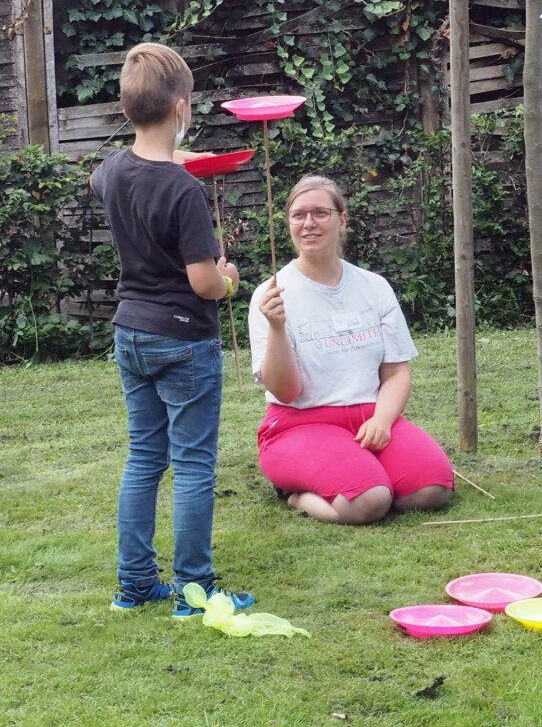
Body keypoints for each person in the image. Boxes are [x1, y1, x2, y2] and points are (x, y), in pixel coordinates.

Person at [91, 42, 255, 618]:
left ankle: (134, 586)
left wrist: (173, 158)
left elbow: (126, 172)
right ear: (182, 106)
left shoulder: (110, 170)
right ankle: (196, 589)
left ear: (128, 106)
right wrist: (231, 280)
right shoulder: (184, 191)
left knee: (143, 458)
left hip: (130, 332)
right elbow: (203, 282)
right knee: (191, 464)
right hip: (184, 338)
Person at [248, 176, 454, 525]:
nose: (309, 223)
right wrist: (277, 328)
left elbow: (396, 373)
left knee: (433, 489)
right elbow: (285, 391)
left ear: (342, 219)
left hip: (368, 418)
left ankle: (363, 473)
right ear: (288, 224)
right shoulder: (271, 296)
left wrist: (383, 420)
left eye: (320, 213)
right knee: (370, 501)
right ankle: (298, 498)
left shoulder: (373, 287)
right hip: (299, 425)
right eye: (298, 215)